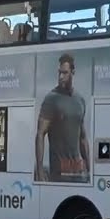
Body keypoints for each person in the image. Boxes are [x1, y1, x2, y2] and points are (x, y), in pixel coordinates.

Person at [35, 52, 88, 182]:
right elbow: (40, 134)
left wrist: (89, 168)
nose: (60, 76)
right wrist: (40, 171)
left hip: (78, 172)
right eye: (59, 72)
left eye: (64, 73)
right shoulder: (51, 99)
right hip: (59, 174)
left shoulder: (80, 100)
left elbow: (83, 137)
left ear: (73, 72)